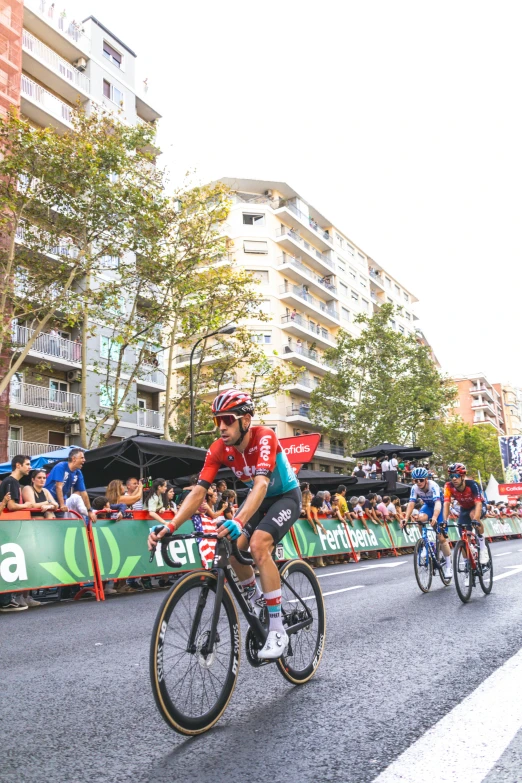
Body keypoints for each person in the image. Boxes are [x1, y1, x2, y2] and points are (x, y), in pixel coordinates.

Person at [148, 388, 302, 660]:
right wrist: (170, 526)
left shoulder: (264, 437)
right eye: (217, 420)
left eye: (228, 419)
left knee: (258, 545)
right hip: (256, 500)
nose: (221, 427)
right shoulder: (219, 449)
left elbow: (262, 483)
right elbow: (197, 492)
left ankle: (277, 629)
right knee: (229, 547)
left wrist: (239, 520)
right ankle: (257, 602)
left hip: (284, 497)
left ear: (245, 420)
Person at [402, 466, 452, 579]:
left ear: (426, 479)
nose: (418, 482)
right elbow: (411, 503)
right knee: (419, 518)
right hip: (428, 506)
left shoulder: (433, 485)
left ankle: (449, 567)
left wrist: (434, 517)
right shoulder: (414, 488)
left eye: (421, 480)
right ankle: (425, 543)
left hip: (440, 507)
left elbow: (438, 503)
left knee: (441, 538)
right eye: (416, 480)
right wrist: (405, 518)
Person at [443, 463, 489, 576]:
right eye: (451, 476)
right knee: (463, 538)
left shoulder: (472, 485)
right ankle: (468, 565)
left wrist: (476, 519)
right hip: (464, 509)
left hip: (478, 506)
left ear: (463, 476)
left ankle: (483, 549)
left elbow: (478, 503)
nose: (454, 478)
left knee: (474, 516)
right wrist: (444, 521)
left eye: (457, 476)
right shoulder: (448, 486)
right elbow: (446, 503)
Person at [45, 449, 96, 523]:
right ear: (74, 459)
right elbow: (58, 487)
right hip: (48, 500)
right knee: (49, 523)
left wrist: (89, 510)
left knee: (60, 525)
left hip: (61, 501)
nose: (84, 460)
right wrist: (62, 505)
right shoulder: (61, 466)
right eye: (82, 458)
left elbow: (83, 493)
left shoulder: (78, 473)